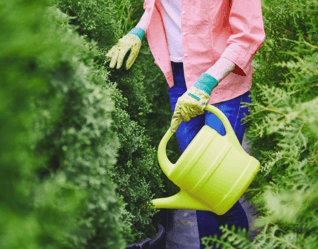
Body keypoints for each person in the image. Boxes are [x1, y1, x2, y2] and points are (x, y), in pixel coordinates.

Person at [106, 0, 265, 248]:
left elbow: (249, 35)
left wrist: (206, 82)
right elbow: (159, 7)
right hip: (179, 79)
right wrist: (138, 30)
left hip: (223, 83)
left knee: (214, 185)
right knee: (197, 187)